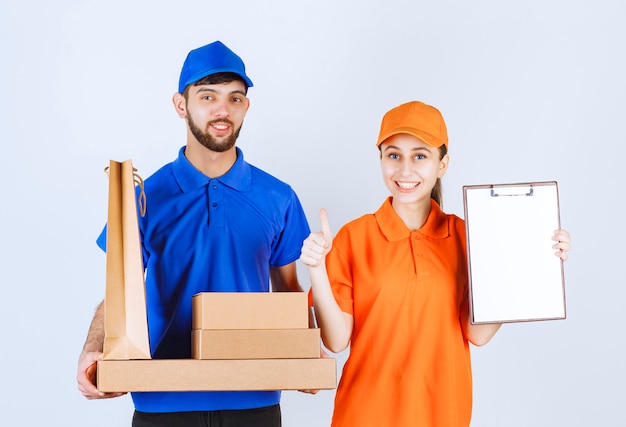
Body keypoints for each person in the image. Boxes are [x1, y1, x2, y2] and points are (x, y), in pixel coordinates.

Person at [77, 40, 312, 427]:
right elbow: (119, 294)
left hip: (253, 401)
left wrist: (307, 350)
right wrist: (91, 349)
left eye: (235, 99)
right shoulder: (141, 196)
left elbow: (288, 291)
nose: (223, 110)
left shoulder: (278, 197)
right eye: (208, 96)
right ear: (181, 105)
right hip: (163, 401)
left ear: (246, 108)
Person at [299, 100, 572, 427]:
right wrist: (316, 268)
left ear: (442, 164)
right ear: (382, 160)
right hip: (364, 413)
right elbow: (337, 340)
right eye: (393, 155)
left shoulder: (466, 236)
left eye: (420, 156)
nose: (404, 170)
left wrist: (527, 258)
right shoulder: (354, 237)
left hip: (443, 413)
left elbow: (478, 333)